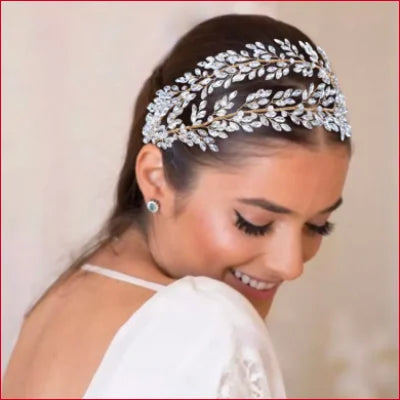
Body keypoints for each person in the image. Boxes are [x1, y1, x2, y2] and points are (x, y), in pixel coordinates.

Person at [2, 13, 352, 398]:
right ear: (156, 178)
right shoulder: (211, 325)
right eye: (254, 222)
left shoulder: (61, 298)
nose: (291, 265)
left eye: (318, 225)